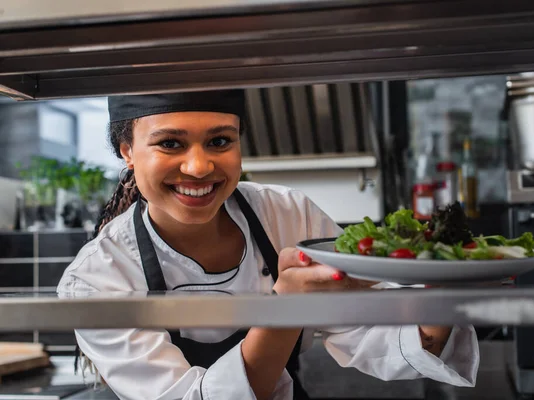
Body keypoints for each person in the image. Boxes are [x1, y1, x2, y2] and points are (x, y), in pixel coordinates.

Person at [57, 90, 479, 400]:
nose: (199, 166)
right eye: (171, 143)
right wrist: (285, 306)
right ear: (127, 150)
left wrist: (441, 290)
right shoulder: (98, 277)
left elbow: (370, 328)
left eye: (221, 141)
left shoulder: (287, 214)